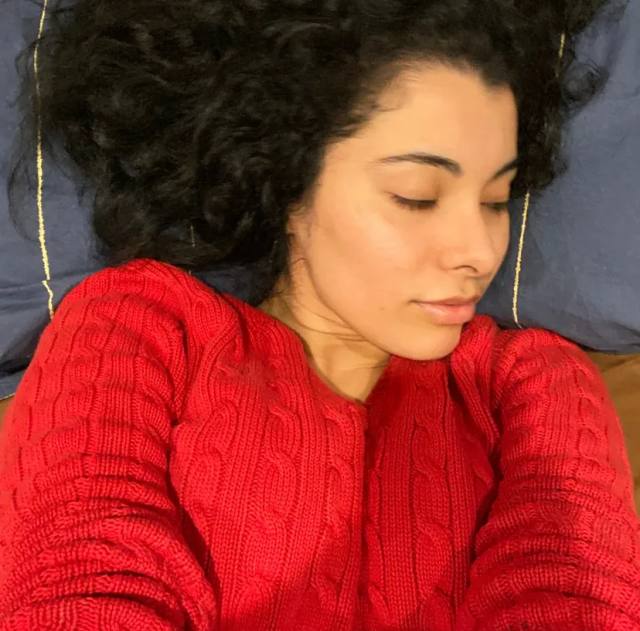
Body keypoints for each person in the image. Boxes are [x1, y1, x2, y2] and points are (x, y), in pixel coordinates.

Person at [1, 0, 638, 629]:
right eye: (416, 196)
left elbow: (573, 589)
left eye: (496, 199)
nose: (480, 250)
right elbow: (77, 571)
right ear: (284, 183)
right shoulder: (137, 323)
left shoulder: (535, 380)